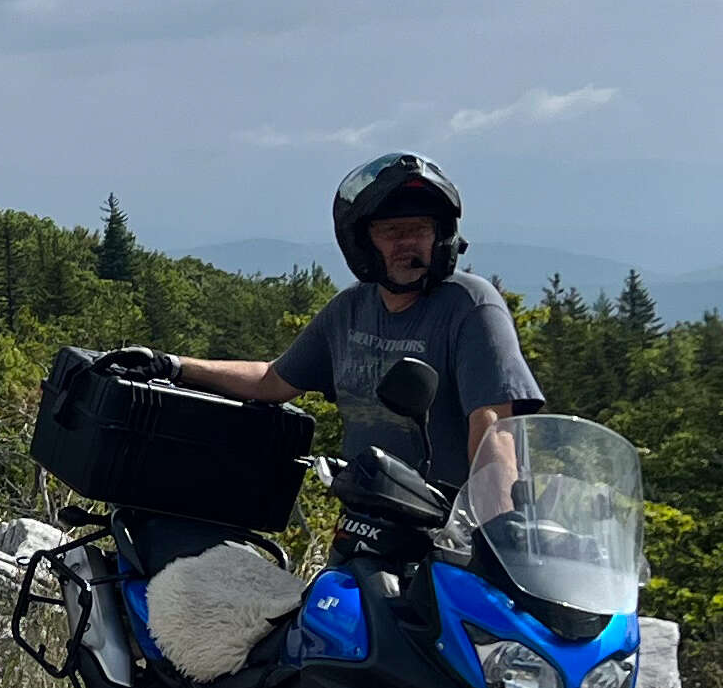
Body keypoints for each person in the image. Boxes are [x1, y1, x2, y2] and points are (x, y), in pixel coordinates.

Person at [123, 152, 541, 494]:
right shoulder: (350, 311)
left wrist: (493, 532)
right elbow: (273, 380)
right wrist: (173, 366)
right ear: (362, 242)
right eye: (392, 231)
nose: (408, 243)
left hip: (447, 534)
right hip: (367, 524)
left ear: (442, 237)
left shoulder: (470, 307)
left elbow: (493, 430)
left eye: (420, 230)